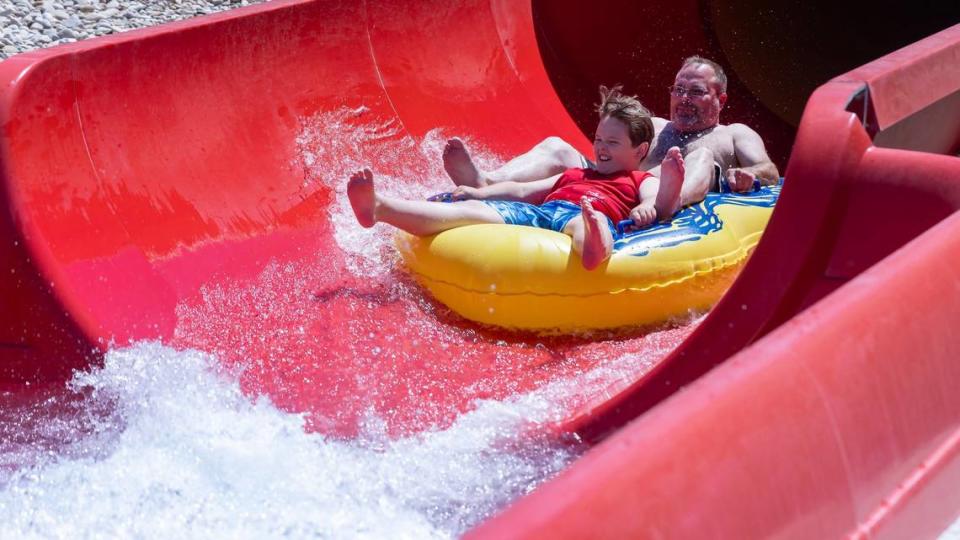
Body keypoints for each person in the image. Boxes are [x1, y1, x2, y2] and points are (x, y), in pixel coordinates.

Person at [347, 86, 685, 271]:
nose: (600, 148)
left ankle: (596, 247)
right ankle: (380, 208)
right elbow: (524, 190)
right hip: (542, 213)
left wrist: (646, 210)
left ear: (640, 150)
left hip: (585, 216)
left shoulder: (639, 180)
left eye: (612, 143)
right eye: (598, 139)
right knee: (471, 214)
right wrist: (479, 196)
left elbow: (654, 202)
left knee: (586, 224)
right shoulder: (575, 173)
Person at [442, 56, 780, 213]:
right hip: (608, 187)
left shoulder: (733, 133)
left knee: (700, 156)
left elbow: (769, 170)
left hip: (651, 200)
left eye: (696, 91)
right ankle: (486, 181)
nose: (683, 99)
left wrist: (748, 175)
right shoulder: (655, 124)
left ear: (720, 99)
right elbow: (609, 139)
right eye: (678, 90)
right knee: (558, 147)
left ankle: (669, 202)